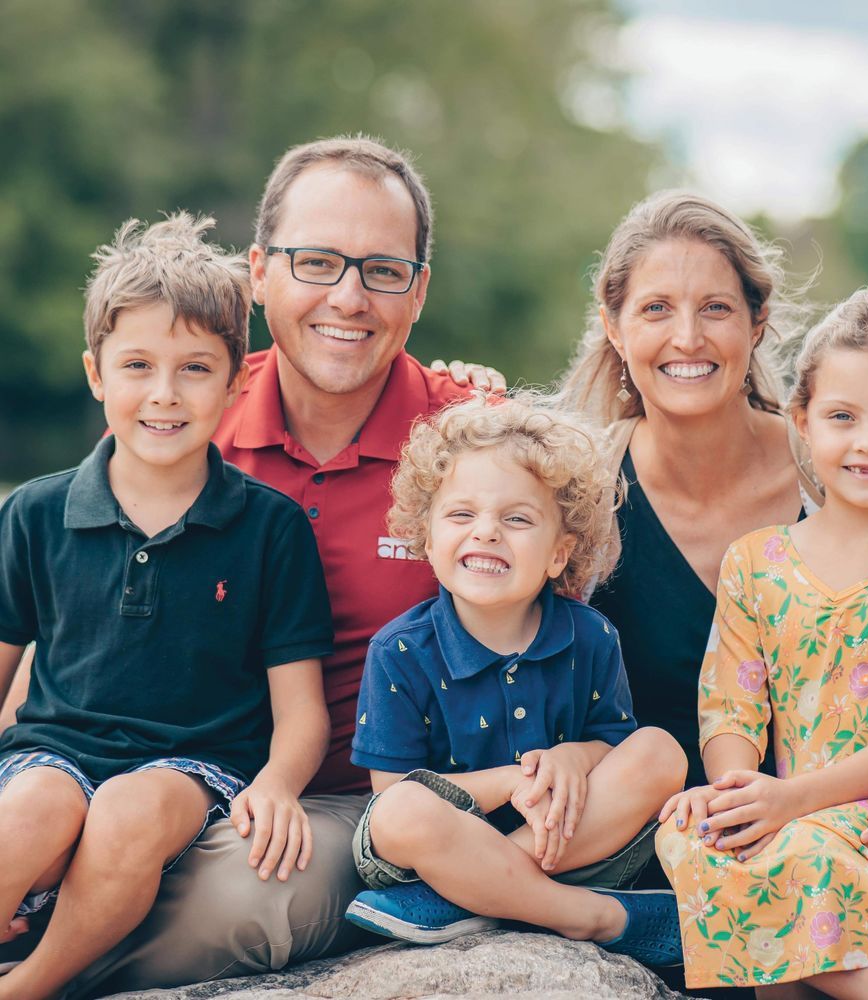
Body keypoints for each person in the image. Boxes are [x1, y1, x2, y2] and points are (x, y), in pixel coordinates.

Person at [0, 136, 501, 996]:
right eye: (317, 262)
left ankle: (46, 962)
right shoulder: (183, 407)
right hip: (110, 768)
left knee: (236, 903)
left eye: (383, 270)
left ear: (419, 290)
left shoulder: (472, 441)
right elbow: (64, 630)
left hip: (336, 799)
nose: (349, 296)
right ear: (259, 271)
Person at [560, 190, 868, 884]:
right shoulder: (579, 495)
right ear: (613, 327)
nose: (688, 338)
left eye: (716, 308)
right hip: (674, 842)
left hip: (863, 836)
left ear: (758, 322)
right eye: (654, 309)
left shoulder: (850, 462)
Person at [0, 214, 334, 1000]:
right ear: (96, 374)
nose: (163, 394)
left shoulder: (269, 528)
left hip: (192, 768)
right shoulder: (35, 514)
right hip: (53, 754)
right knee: (39, 804)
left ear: (235, 380)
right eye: (138, 365)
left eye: (193, 368)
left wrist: (279, 785)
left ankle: (29, 989)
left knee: (127, 808)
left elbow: (302, 713)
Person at [657, 286, 868, 999]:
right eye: (842, 417)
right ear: (803, 420)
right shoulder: (756, 561)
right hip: (793, 811)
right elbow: (730, 707)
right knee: (686, 835)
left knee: (797, 851)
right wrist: (736, 794)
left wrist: (790, 801)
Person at [342, 393, 685, 964]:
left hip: (569, 842)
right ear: (427, 540)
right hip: (440, 847)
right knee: (403, 812)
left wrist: (576, 758)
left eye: (517, 519)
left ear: (559, 553)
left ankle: (475, 897)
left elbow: (615, 746)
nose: (486, 532)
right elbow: (392, 791)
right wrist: (510, 782)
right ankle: (593, 916)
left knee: (661, 753)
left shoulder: (590, 636)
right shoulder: (400, 650)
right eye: (461, 514)